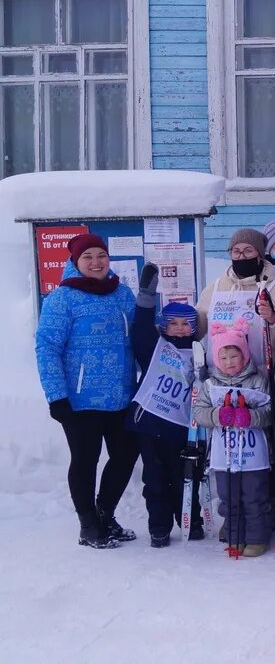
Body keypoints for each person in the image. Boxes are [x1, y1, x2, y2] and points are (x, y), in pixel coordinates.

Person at [36, 233, 139, 549]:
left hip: (121, 394)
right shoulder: (62, 298)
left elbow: (139, 336)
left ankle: (105, 514)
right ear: (75, 262)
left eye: (101, 256)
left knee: (125, 455)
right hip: (80, 400)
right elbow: (47, 347)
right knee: (85, 459)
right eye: (88, 257)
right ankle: (88, 525)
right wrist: (57, 396)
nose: (96, 262)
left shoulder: (123, 293)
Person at [128, 264, 200, 548]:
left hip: (184, 427)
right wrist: (146, 295)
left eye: (186, 324)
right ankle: (159, 526)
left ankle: (189, 520)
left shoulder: (200, 351)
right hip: (152, 423)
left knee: (186, 477)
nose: (180, 329)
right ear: (165, 325)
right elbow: (141, 329)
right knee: (155, 480)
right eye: (174, 323)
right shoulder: (154, 346)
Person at [192, 319, 274, 557]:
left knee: (253, 495)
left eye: (234, 357)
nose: (229, 363)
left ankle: (257, 537)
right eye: (224, 357)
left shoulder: (257, 381)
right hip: (224, 452)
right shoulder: (210, 384)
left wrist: (251, 417)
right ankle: (235, 535)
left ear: (245, 356)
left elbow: (269, 413)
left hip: (252, 453)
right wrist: (217, 415)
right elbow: (199, 411)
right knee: (229, 496)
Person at [195, 229, 275, 372]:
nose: (241, 257)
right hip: (219, 380)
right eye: (236, 251)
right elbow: (197, 327)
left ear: (259, 255)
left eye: (248, 251)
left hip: (264, 379)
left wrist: (273, 320)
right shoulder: (216, 288)